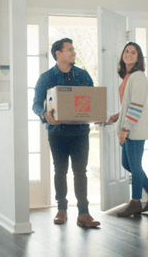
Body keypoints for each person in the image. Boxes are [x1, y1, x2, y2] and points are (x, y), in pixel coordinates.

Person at [32, 38, 100, 228]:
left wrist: (98, 114)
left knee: (80, 172)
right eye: (69, 50)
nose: (73, 53)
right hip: (57, 133)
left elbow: (93, 101)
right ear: (58, 54)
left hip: (80, 132)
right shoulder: (46, 78)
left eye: (73, 50)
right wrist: (44, 114)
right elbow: (36, 104)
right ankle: (62, 209)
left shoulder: (84, 76)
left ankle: (84, 213)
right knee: (60, 171)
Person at [99, 42, 148, 217]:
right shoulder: (128, 77)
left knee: (134, 165)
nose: (128, 54)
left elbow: (137, 106)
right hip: (131, 125)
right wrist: (118, 116)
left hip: (136, 127)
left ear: (138, 57)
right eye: (126, 51)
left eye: (133, 52)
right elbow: (130, 103)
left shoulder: (139, 76)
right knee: (127, 164)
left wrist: (125, 128)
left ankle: (135, 202)